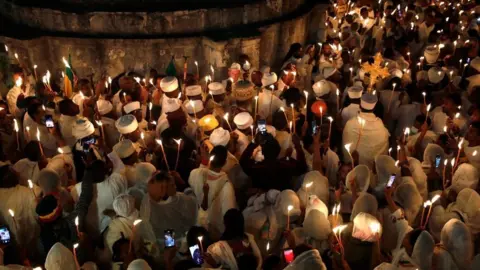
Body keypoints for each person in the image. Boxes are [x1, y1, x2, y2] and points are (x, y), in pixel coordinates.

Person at [188, 145, 237, 240]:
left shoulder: (194, 174)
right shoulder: (227, 186)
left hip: (196, 225)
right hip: (214, 234)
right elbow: (228, 212)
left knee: (198, 251)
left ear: (210, 157)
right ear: (225, 162)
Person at [342, 92, 389, 169]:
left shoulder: (350, 123)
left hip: (352, 168)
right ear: (374, 108)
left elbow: (345, 143)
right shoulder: (381, 126)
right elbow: (383, 146)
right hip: (371, 169)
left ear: (360, 106)